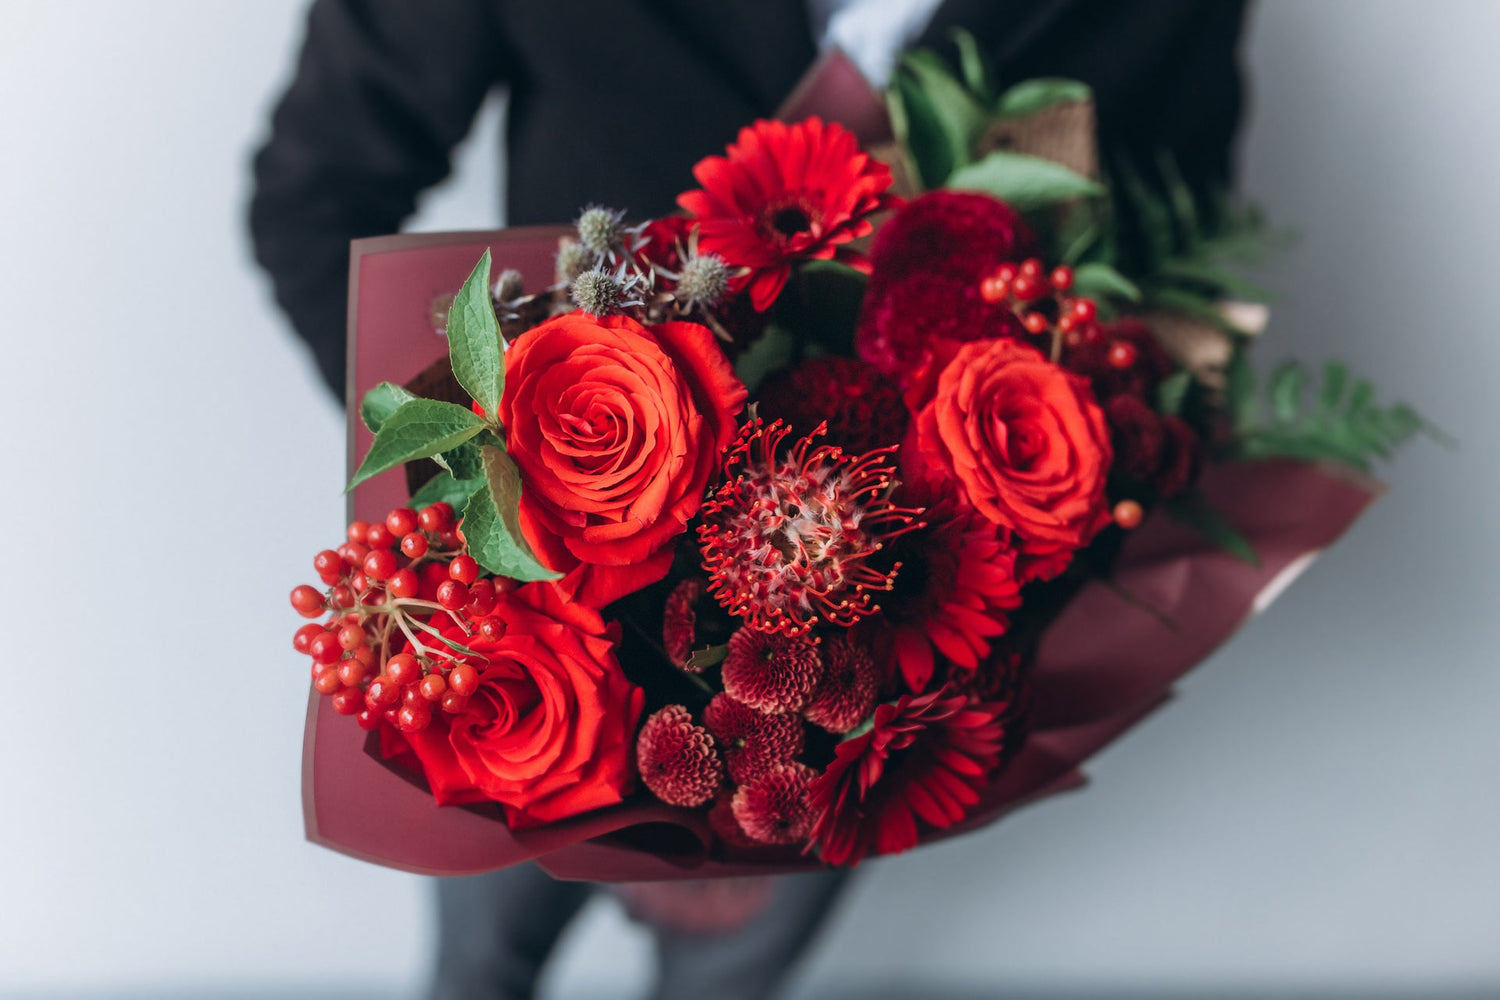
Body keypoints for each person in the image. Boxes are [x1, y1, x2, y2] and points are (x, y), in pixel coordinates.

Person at [250, 2, 1249, 997]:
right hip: (514, 659)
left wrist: (783, 797)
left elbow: (1163, 303)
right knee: (477, 969)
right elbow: (313, 194)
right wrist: (463, 474)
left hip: (855, 704)